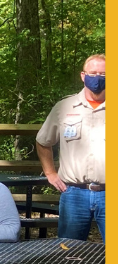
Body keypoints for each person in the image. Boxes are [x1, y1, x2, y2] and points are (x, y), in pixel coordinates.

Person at [36, 53, 105, 243]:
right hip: (74, 193)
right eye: (93, 73)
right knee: (69, 254)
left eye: (103, 73)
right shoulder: (65, 106)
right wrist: (50, 172)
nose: (97, 78)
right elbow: (43, 141)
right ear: (83, 76)